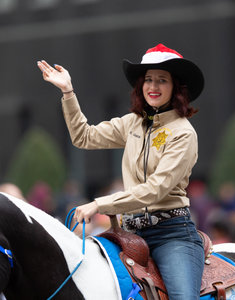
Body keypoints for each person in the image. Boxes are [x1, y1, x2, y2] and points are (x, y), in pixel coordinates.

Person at [37, 43, 205, 299]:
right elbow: (84, 137)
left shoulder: (183, 133)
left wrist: (99, 204)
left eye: (162, 80)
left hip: (171, 235)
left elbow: (156, 190)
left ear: (177, 87)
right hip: (128, 233)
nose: (153, 87)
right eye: (148, 79)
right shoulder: (133, 123)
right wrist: (68, 92)